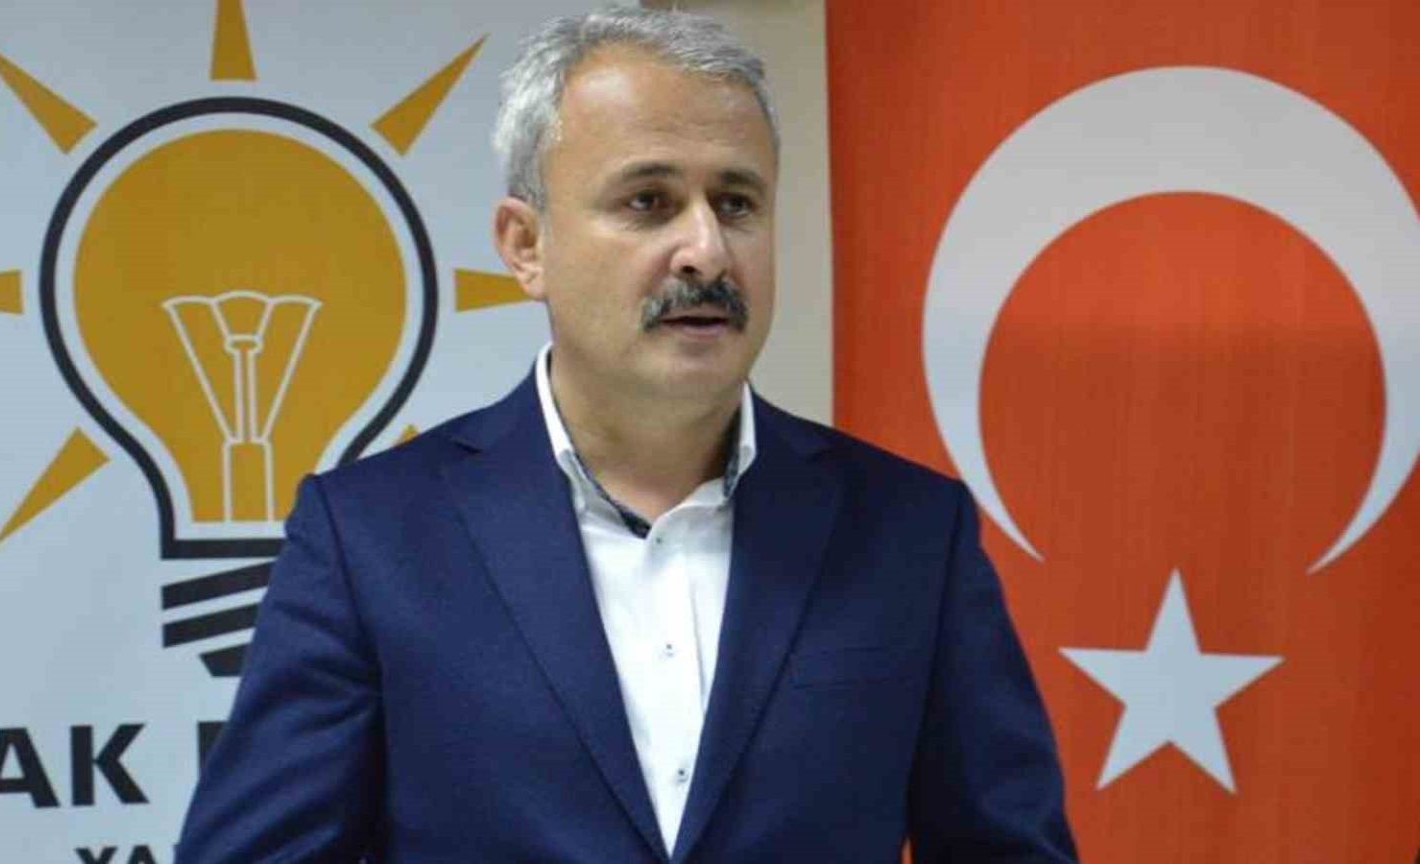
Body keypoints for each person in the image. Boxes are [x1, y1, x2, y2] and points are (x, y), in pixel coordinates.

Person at [176, 7, 1078, 863]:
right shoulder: (372, 538)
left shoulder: (911, 532)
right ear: (526, 245)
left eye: (737, 203)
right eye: (649, 202)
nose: (706, 251)